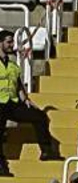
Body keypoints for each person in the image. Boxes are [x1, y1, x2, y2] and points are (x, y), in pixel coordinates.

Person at [0, 29, 63, 169]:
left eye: (12, 42)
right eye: (9, 42)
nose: (11, 45)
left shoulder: (13, 65)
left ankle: (46, 151)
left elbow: (19, 86)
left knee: (39, 116)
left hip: (13, 103)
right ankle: (1, 165)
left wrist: (26, 100)